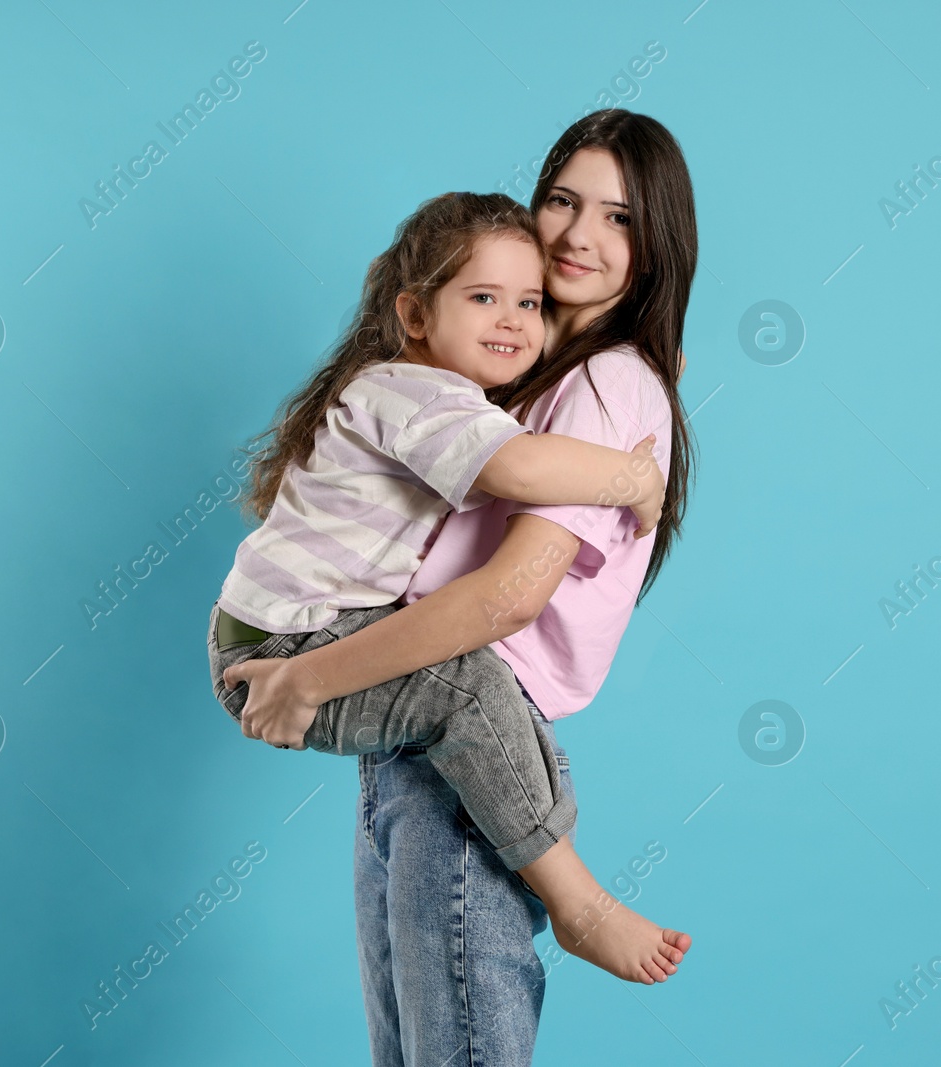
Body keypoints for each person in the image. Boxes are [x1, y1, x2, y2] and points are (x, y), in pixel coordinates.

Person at [223, 108, 698, 1064]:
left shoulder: (605, 385)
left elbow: (506, 601)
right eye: (562, 200)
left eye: (618, 218)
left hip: (467, 742)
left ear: (655, 251)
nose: (576, 233)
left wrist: (308, 679)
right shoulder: (478, 379)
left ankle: (579, 900)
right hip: (417, 729)